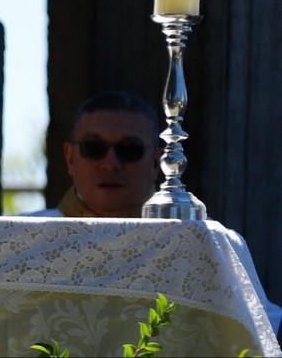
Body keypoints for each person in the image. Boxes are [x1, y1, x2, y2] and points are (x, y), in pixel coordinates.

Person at [27, 91, 281, 337]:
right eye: (94, 148)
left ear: (156, 160)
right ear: (70, 158)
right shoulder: (27, 236)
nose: (111, 163)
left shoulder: (200, 240)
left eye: (130, 150)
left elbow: (263, 329)